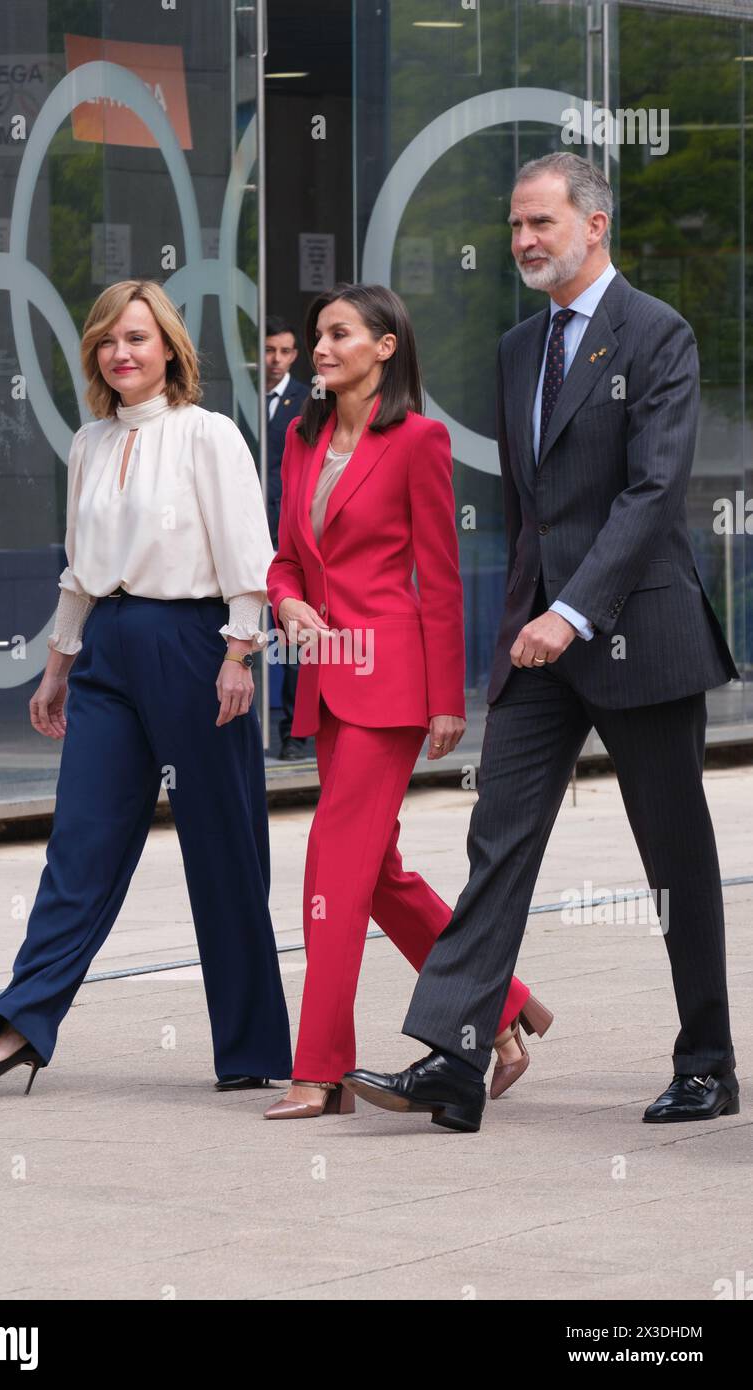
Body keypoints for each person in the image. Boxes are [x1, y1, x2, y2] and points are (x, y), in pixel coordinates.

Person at [345, 153, 740, 1133]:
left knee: (671, 856)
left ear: (592, 224)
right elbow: (528, 514)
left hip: (633, 631)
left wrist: (574, 610)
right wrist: (525, 620)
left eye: (539, 223)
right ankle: (455, 1056)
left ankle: (706, 1061)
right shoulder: (520, 347)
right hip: (537, 645)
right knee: (497, 838)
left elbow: (652, 494)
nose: (522, 240)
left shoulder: (656, 334)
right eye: (514, 225)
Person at [0, 279, 292, 1095]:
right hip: (109, 648)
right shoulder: (92, 443)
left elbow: (250, 557)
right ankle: (22, 1023)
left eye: (137, 337)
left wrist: (239, 655)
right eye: (107, 340)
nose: (121, 352)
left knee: (223, 847)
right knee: (81, 843)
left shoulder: (208, 435)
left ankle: (251, 1051)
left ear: (169, 347)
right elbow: (79, 570)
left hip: (193, 645)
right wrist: (58, 666)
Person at [262, 282, 550, 1120]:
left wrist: (446, 698)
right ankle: (498, 1004)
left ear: (385, 346)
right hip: (323, 679)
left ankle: (321, 1071)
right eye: (317, 335)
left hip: (389, 685)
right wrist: (287, 603)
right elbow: (284, 559)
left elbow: (440, 577)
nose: (321, 347)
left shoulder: (418, 440)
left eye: (340, 334)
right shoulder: (300, 439)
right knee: (376, 874)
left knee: (334, 873)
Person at [264, 316, 310, 760]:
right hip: (241, 529)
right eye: (268, 350)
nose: (275, 360)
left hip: (284, 531)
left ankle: (294, 735)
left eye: (284, 352)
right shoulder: (237, 402)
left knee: (291, 633)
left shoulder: (308, 401)